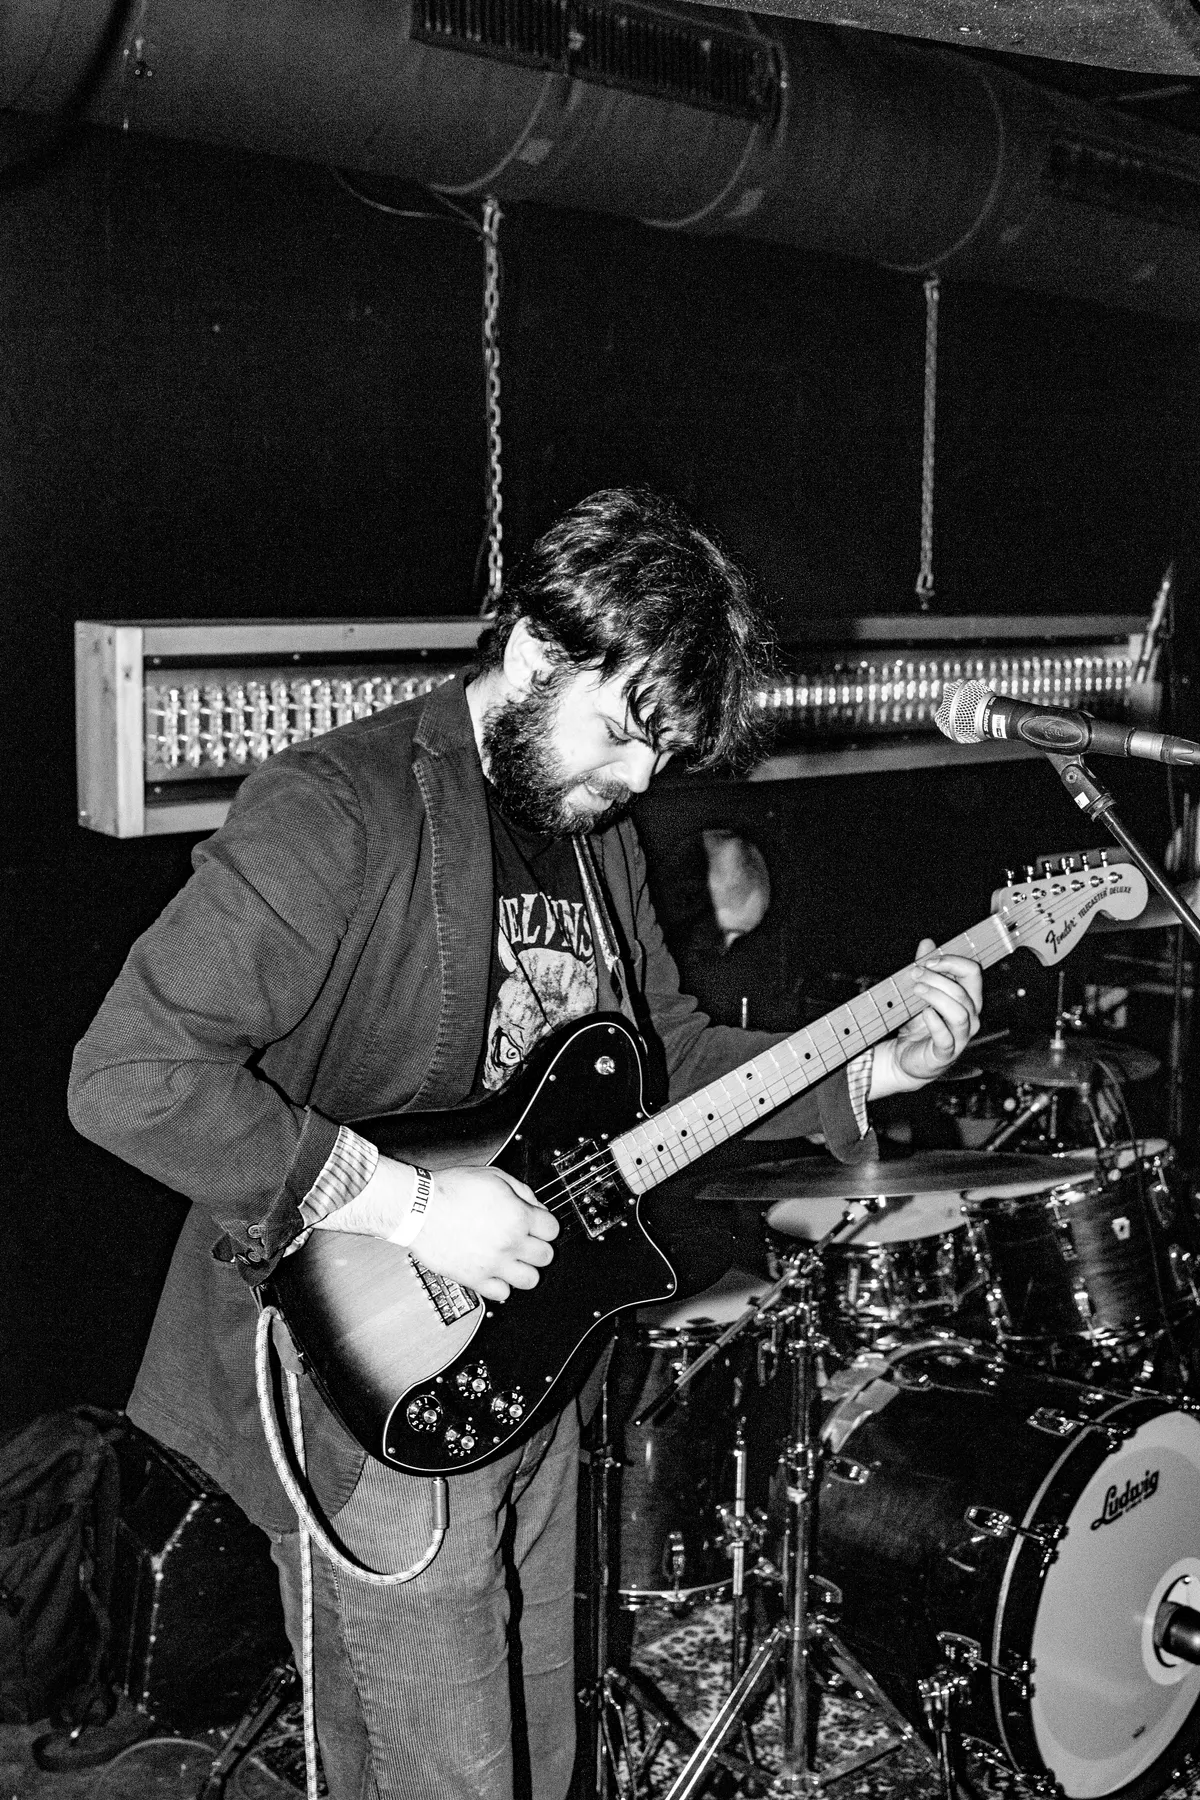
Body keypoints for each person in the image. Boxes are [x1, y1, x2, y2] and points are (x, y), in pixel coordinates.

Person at [68, 488, 982, 1800]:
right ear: (535, 649)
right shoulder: (339, 808)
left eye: (663, 758)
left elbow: (665, 1064)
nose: (638, 783)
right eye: (623, 734)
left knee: (542, 1742)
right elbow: (129, 1078)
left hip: (535, 1351)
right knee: (442, 1770)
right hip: (368, 1372)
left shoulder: (593, 838)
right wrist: (408, 1205)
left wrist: (869, 1067)